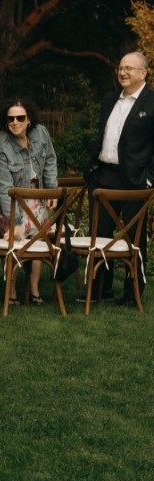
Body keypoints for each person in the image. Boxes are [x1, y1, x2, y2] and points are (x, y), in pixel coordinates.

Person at [83, 51, 154, 305]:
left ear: (143, 73)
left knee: (133, 238)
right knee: (99, 233)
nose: (122, 72)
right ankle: (101, 289)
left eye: (129, 68)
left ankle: (132, 294)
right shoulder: (109, 99)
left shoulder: (151, 102)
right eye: (120, 68)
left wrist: (149, 179)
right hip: (103, 176)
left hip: (133, 181)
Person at [0, 97, 58, 305]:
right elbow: (4, 190)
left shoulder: (41, 133)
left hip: (35, 197)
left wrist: (51, 190)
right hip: (7, 202)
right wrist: (15, 222)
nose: (15, 122)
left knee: (38, 239)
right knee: (15, 240)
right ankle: (11, 291)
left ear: (29, 119)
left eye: (20, 117)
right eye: (10, 119)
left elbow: (51, 161)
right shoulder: (0, 147)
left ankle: (34, 289)